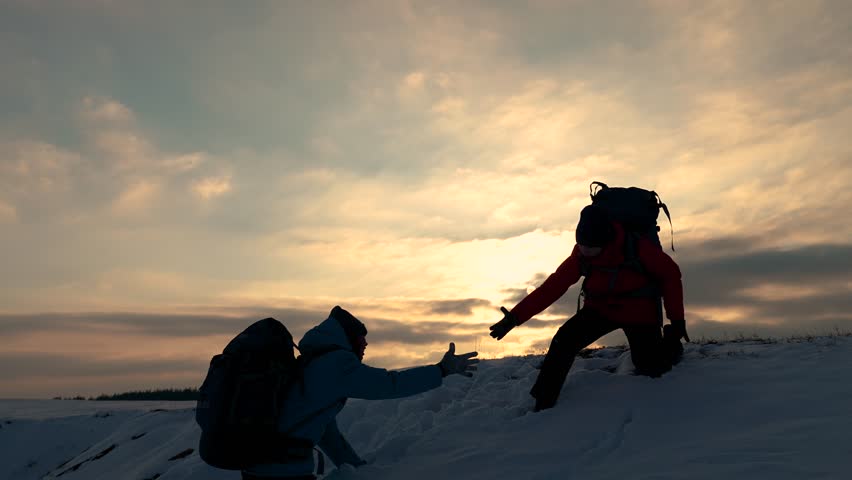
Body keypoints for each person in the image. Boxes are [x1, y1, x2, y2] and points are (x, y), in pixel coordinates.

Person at [242, 305, 479, 479]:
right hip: (281, 470)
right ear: (348, 338)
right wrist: (441, 370)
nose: (365, 344)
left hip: (262, 466)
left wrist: (358, 469)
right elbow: (389, 384)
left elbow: (325, 431)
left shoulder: (314, 362)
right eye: (361, 339)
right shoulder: (336, 364)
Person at [489, 205, 687, 412]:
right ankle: (544, 401)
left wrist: (677, 322)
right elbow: (553, 286)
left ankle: (673, 349)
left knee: (650, 367)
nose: (584, 251)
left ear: (606, 240)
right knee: (564, 340)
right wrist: (514, 317)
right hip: (600, 309)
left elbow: (671, 277)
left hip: (639, 311)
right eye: (581, 245)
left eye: (590, 247)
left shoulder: (638, 248)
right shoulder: (582, 254)